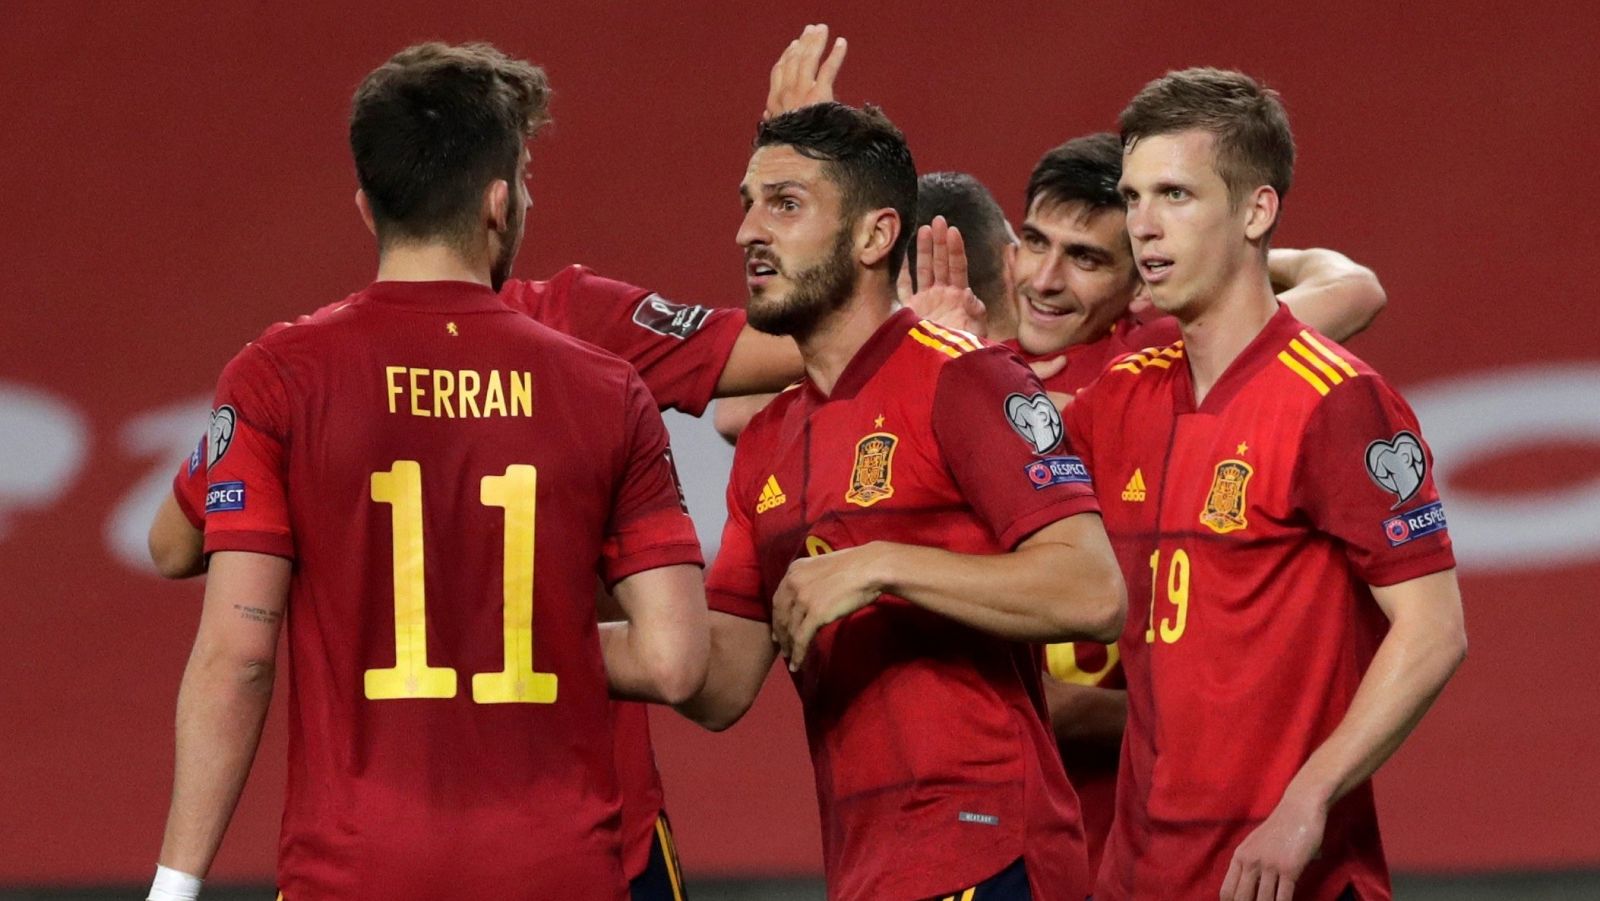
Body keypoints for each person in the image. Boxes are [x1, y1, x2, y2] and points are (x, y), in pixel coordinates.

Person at [146, 42, 710, 901]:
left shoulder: (280, 378)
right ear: (497, 202)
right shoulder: (607, 389)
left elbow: (230, 644)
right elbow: (676, 662)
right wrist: (518, 634)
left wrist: (175, 887)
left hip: (354, 874)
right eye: (524, 182)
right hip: (557, 870)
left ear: (367, 206)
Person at [676, 101, 1126, 901]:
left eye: (785, 204)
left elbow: (1092, 590)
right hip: (867, 866)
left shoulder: (964, 376)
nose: (749, 231)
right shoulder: (770, 439)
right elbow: (719, 684)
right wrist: (569, 616)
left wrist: (881, 564)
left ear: (875, 236)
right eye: (748, 205)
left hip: (991, 851)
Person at [1064, 68, 1466, 900]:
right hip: (1135, 877)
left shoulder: (1335, 399)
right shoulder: (1121, 396)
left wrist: (1306, 801)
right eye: (1133, 197)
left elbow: (1433, 630)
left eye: (1175, 194)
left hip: (1282, 876)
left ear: (1256, 212)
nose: (1143, 225)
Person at [1005, 131, 1388, 876]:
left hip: (1151, 826)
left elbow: (1356, 288)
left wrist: (1218, 252)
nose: (1047, 280)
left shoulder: (1156, 370)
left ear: (1138, 285)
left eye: (1087, 258)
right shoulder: (984, 370)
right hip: (1075, 841)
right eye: (1034, 244)